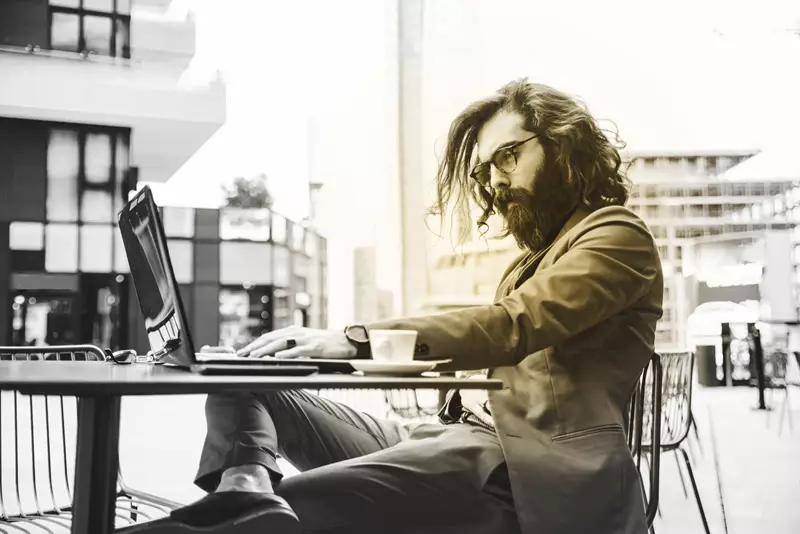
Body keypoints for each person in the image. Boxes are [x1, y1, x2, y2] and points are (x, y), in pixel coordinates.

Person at [128, 79, 663, 534]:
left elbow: (513, 324)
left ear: (564, 144)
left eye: (508, 155)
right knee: (242, 379)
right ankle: (245, 490)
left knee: (301, 505)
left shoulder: (617, 237)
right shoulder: (539, 254)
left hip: (519, 464)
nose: (496, 183)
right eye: (485, 171)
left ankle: (256, 508)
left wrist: (353, 338)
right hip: (447, 435)